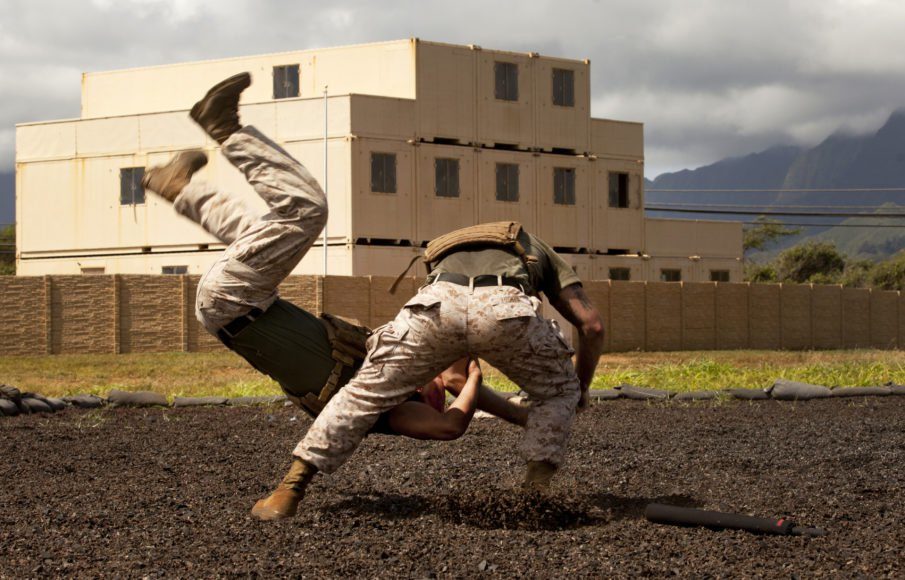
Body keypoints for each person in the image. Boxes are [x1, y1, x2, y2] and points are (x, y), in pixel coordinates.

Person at [141, 73, 527, 442]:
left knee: (306, 210)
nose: (440, 368)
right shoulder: (395, 377)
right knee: (255, 231)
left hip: (235, 302)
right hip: (244, 302)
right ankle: (178, 188)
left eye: (443, 376)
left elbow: (449, 426)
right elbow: (457, 383)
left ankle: (224, 127)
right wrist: (523, 415)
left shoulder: (389, 407)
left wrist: (472, 375)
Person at [252, 220, 605, 520]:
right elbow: (592, 327)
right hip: (505, 304)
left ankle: (288, 491)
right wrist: (580, 388)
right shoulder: (537, 248)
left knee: (363, 393)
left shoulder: (444, 255)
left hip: (436, 303)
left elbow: (452, 374)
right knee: (559, 391)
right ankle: (535, 494)